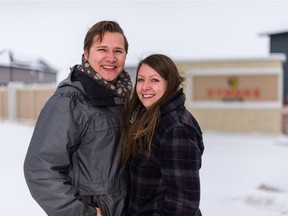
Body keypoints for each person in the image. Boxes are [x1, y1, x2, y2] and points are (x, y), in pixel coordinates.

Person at [23, 20, 132, 216]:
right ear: (86, 53)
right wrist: (85, 213)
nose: (111, 58)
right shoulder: (70, 101)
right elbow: (40, 170)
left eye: (118, 51)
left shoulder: (123, 98)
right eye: (102, 49)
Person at [121, 54, 204, 215]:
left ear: (170, 84)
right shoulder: (149, 119)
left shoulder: (175, 129)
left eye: (154, 80)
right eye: (140, 79)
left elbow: (183, 206)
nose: (145, 87)